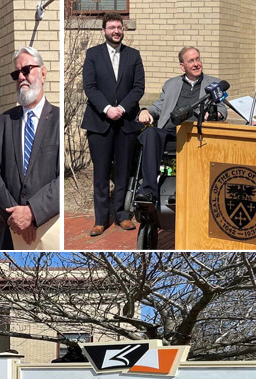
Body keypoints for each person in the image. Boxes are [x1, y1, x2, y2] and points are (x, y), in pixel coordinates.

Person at [0, 46, 59, 250]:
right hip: (10, 235)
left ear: (43, 73)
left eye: (26, 70)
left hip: (49, 232)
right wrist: (17, 219)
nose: (21, 77)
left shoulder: (58, 122)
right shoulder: (1, 123)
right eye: (16, 73)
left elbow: (62, 180)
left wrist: (32, 212)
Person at [135, 47, 227, 203]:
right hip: (170, 130)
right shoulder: (171, 84)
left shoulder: (214, 83)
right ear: (182, 66)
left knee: (194, 137)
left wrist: (213, 114)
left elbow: (222, 109)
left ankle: (183, 192)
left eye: (198, 59)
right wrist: (146, 111)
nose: (196, 64)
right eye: (191, 61)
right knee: (150, 133)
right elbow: (159, 106)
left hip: (196, 131)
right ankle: (149, 192)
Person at [82, 13, 145, 236]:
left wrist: (122, 109)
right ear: (104, 31)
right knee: (100, 173)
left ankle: (122, 215)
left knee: (123, 172)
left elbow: (138, 88)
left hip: (126, 122)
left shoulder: (134, 55)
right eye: (111, 27)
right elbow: (90, 87)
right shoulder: (92, 54)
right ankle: (100, 220)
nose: (116, 30)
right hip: (99, 122)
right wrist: (108, 109)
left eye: (119, 27)